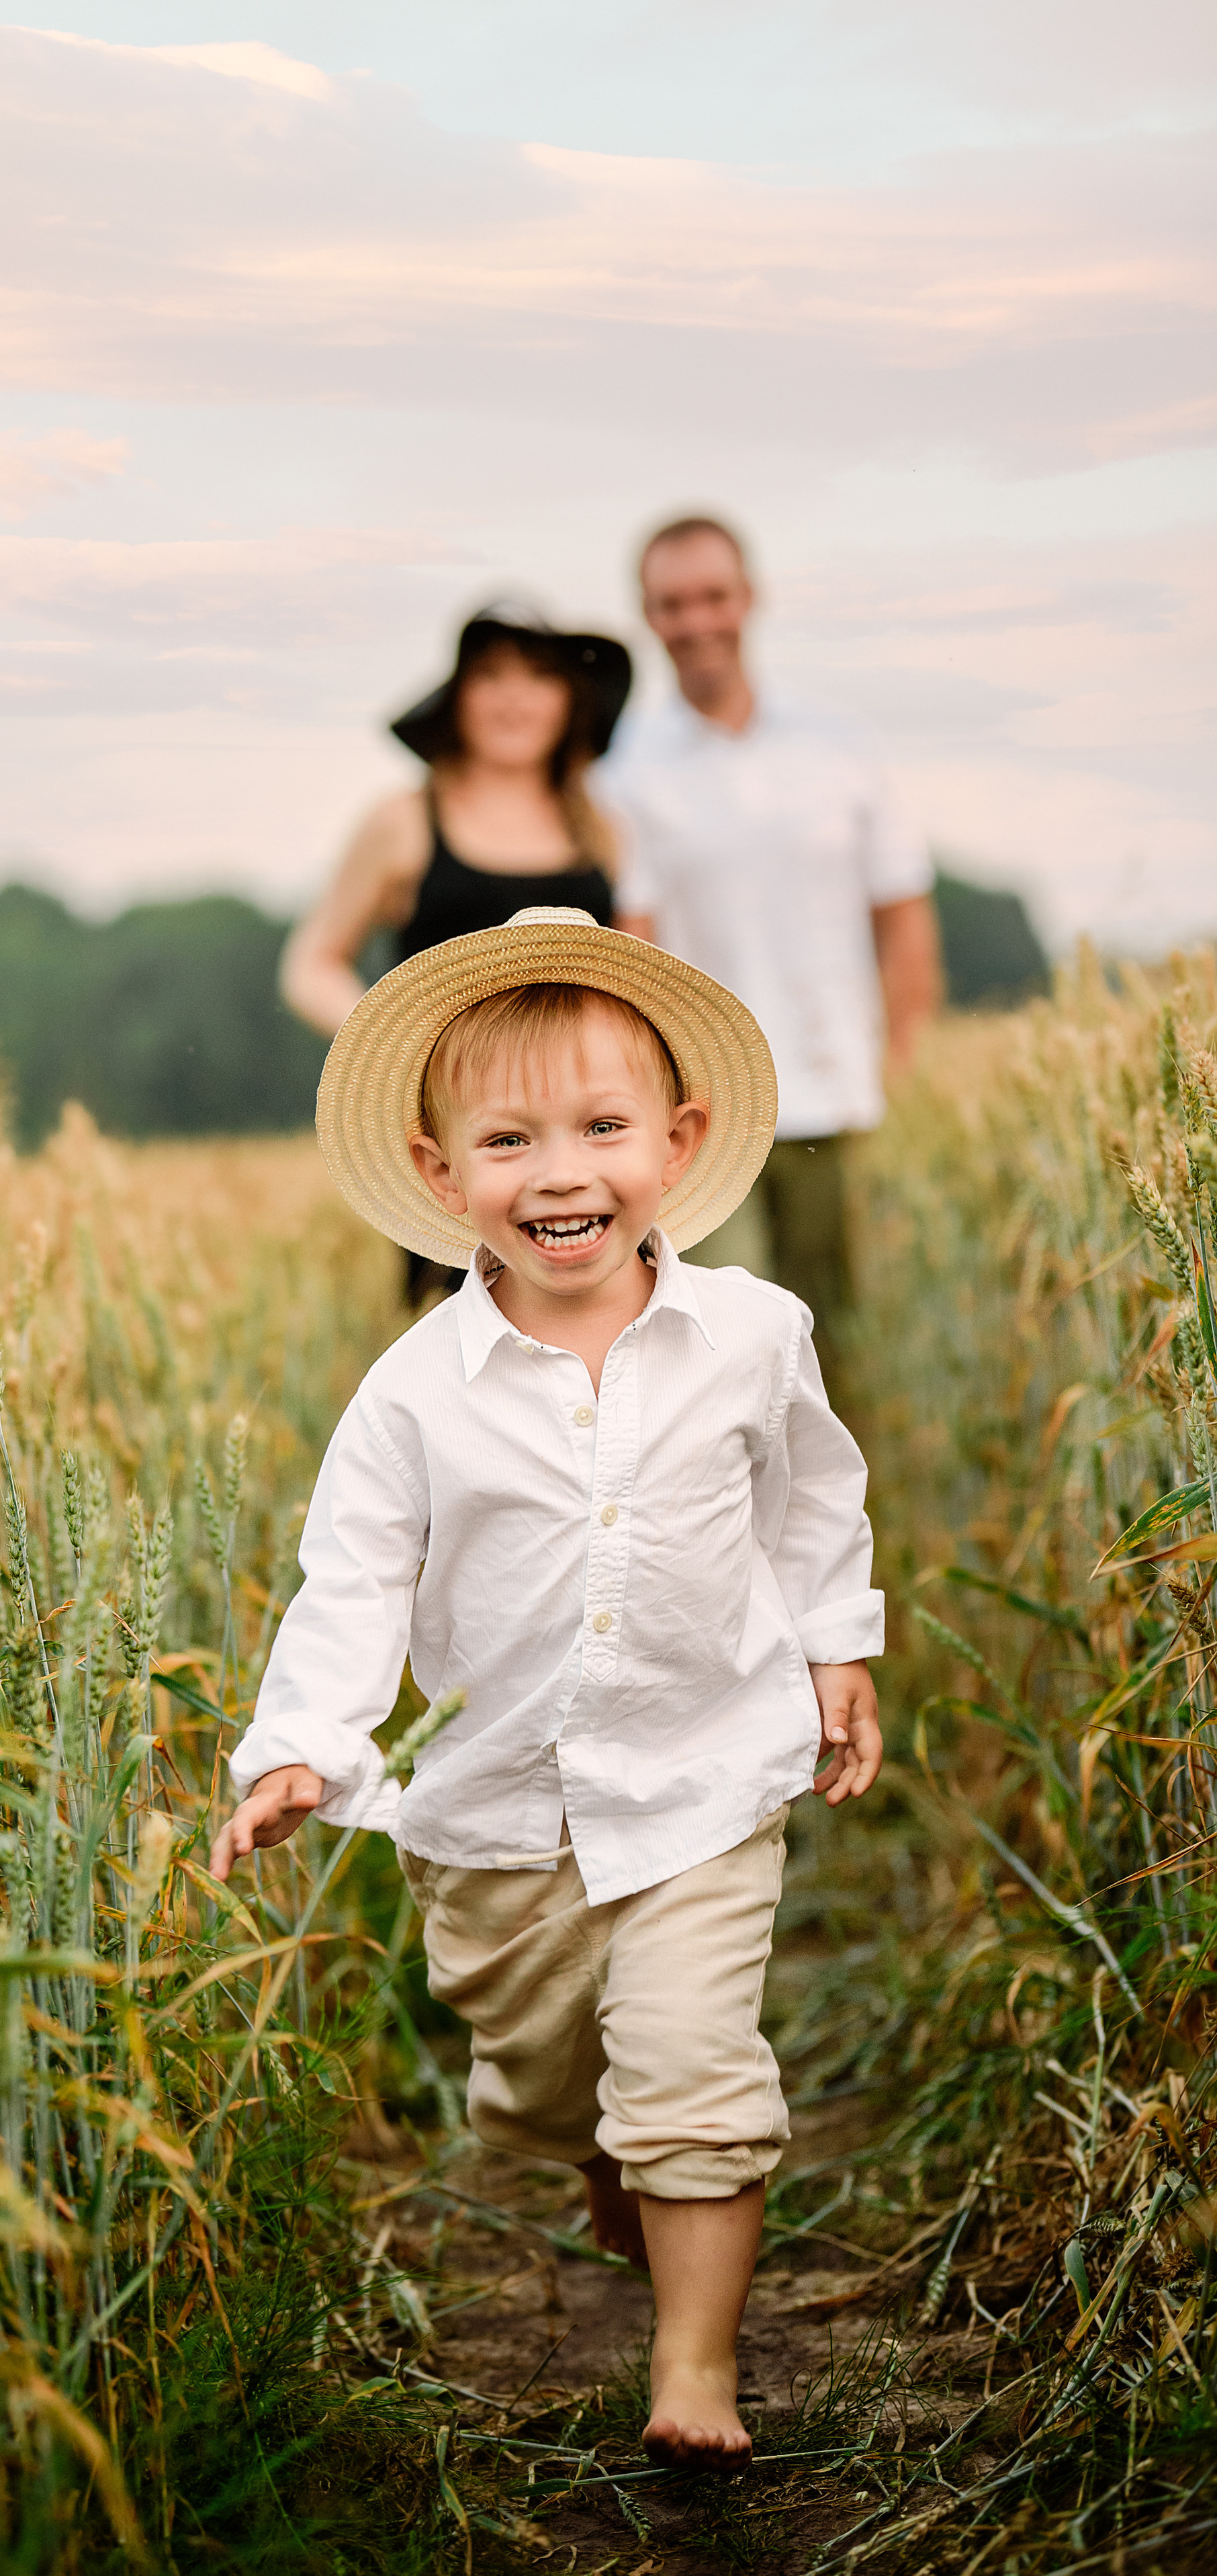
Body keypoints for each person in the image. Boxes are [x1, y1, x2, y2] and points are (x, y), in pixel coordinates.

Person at [212, 906, 885, 2464]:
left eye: (600, 1126)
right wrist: (304, 1745)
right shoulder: (408, 1394)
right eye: (507, 1137)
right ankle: (608, 2158)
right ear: (441, 1174)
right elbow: (354, 1578)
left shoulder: (752, 1334)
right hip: (497, 1813)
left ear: (678, 1136)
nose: (560, 1172)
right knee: (540, 2094)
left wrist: (831, 1641)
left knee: (694, 2070)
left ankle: (693, 2370)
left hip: (703, 1773)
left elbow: (809, 1497)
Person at [603, 515, 942, 1325]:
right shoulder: (623, 771)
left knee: (844, 1341)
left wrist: (904, 1065)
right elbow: (635, 951)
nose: (696, 623)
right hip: (711, 1120)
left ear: (750, 599)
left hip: (846, 1096)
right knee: (739, 1349)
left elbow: (901, 919)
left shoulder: (842, 744)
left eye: (712, 597)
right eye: (672, 604)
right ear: (648, 617)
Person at [280, 602, 640, 1301]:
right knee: (457, 1327)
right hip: (458, 1133)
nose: (513, 696)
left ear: (571, 701)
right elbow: (310, 963)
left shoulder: (600, 826)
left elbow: (626, 969)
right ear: (458, 699)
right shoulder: (404, 820)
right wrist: (399, 1047)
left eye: (539, 676)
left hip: (577, 1137)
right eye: (490, 675)